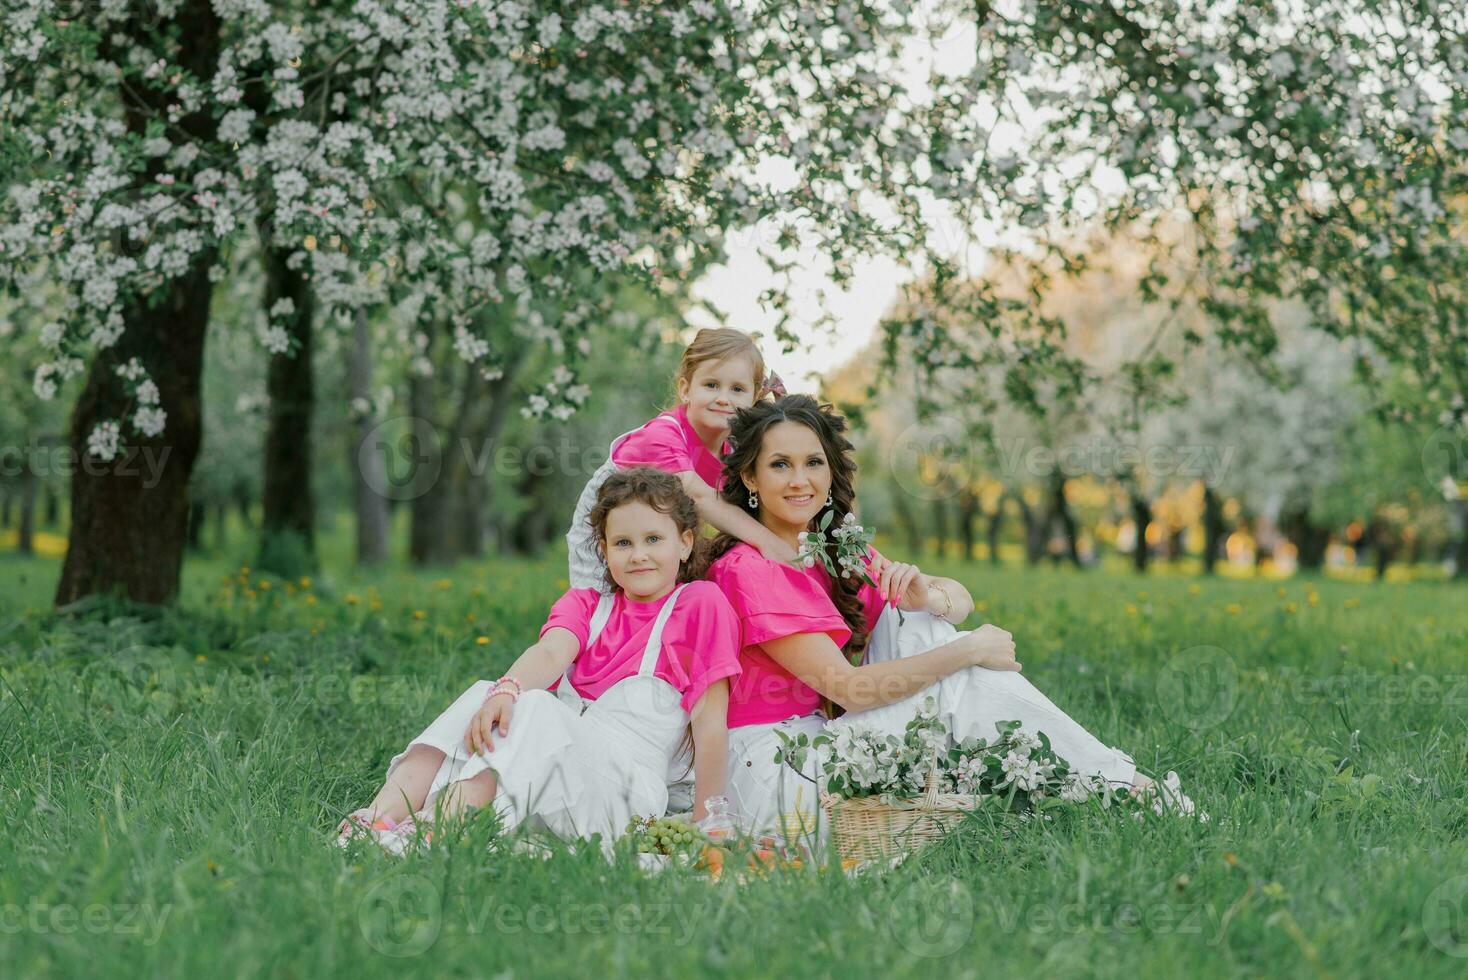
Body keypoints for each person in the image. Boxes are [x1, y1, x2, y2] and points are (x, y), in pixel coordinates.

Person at [699, 394, 1203, 835]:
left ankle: (1113, 789)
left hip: (824, 744)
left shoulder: (831, 550)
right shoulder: (748, 569)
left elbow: (956, 599)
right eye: (780, 465)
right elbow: (849, 689)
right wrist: (969, 651)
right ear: (750, 477)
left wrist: (930, 596)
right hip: (776, 770)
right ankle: (1130, 788)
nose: (800, 480)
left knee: (916, 620)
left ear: (831, 473)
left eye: (813, 463)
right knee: (956, 673)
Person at [338, 468, 742, 853]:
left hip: (624, 793)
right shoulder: (586, 605)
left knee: (532, 704)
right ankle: (378, 816)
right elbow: (551, 652)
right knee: (489, 694)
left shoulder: (699, 605)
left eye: (654, 539)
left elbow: (710, 722)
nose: (638, 555)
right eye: (623, 543)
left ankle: (435, 827)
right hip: (551, 782)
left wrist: (707, 822)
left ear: (685, 542)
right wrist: (506, 690)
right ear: (604, 551)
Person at [564, 327, 798, 593]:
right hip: (607, 540)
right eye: (711, 385)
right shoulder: (663, 435)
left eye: (737, 389)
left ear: (753, 397)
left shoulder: (732, 449)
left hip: (657, 538)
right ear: (686, 389)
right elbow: (700, 497)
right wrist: (769, 542)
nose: (723, 398)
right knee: (604, 609)